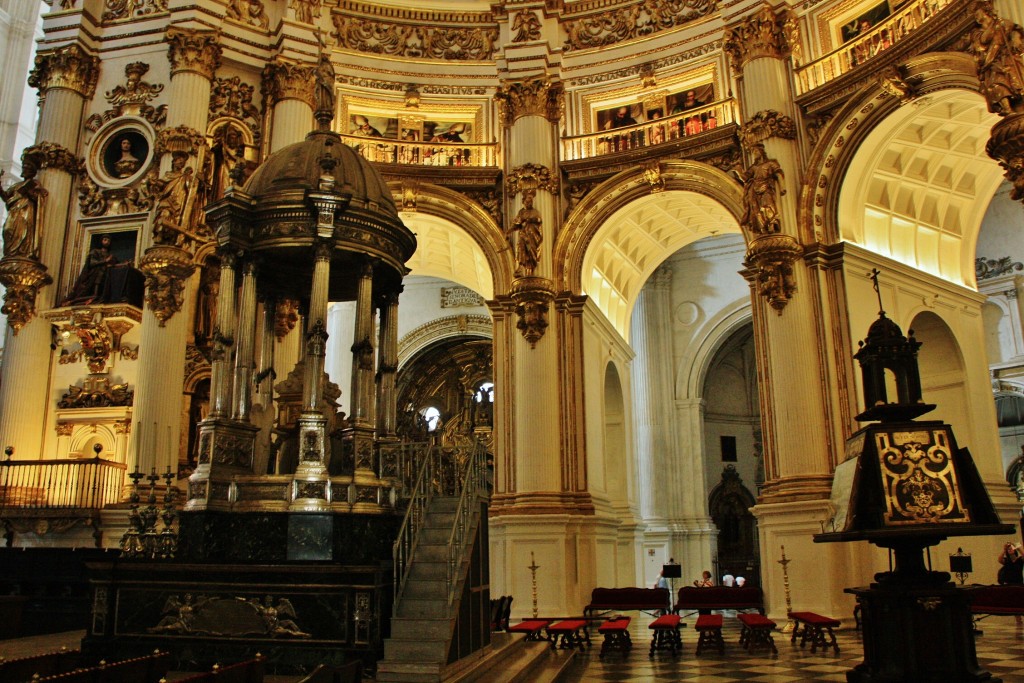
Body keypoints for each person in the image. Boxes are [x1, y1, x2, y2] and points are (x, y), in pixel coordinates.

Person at [65, 235, 118, 305]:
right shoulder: (95, 251)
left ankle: (99, 297)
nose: (107, 242)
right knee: (97, 280)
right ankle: (90, 297)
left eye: (108, 240)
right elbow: (92, 263)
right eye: (105, 240)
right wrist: (105, 261)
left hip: (106, 275)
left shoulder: (110, 255)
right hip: (95, 275)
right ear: (101, 241)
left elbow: (114, 265)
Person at [998, 541, 1024, 623]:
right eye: (1008, 549)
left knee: (1020, 600)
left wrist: (1018, 547)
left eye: (1011, 549)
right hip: (1010, 583)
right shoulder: (1007, 561)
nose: (1010, 550)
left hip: (1019, 583)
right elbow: (999, 559)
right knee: (1015, 601)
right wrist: (1004, 549)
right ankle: (1018, 619)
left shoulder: (1020, 560)